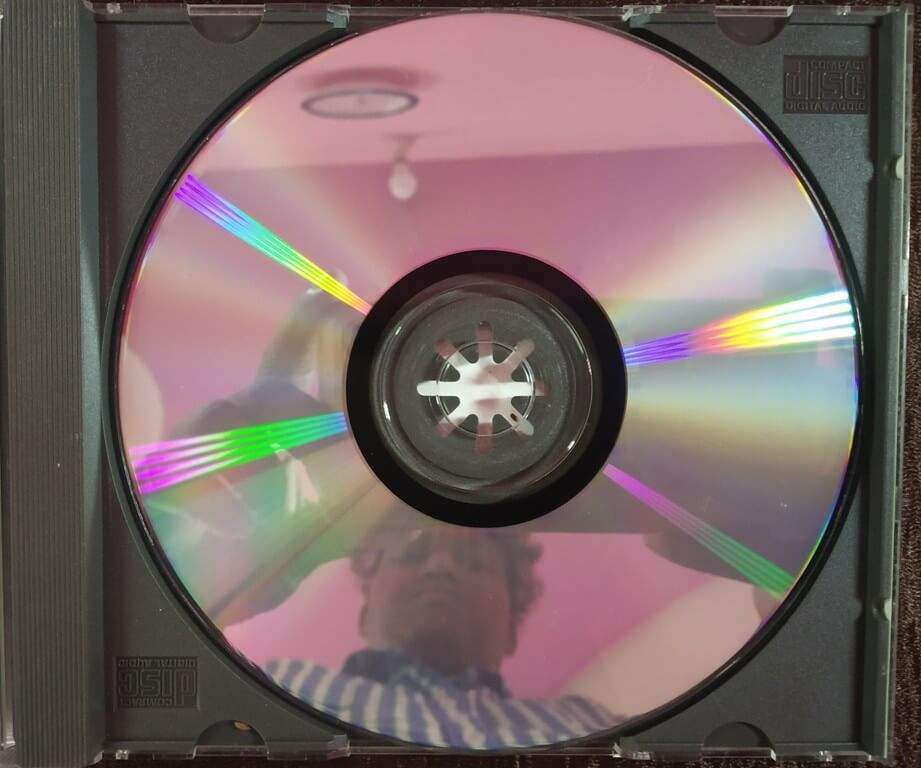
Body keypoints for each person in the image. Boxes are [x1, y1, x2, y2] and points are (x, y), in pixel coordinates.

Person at [264, 510, 619, 748]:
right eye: (412, 553)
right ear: (365, 612)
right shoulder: (279, 682)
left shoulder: (593, 721)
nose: (441, 566)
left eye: (475, 563)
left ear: (512, 627)